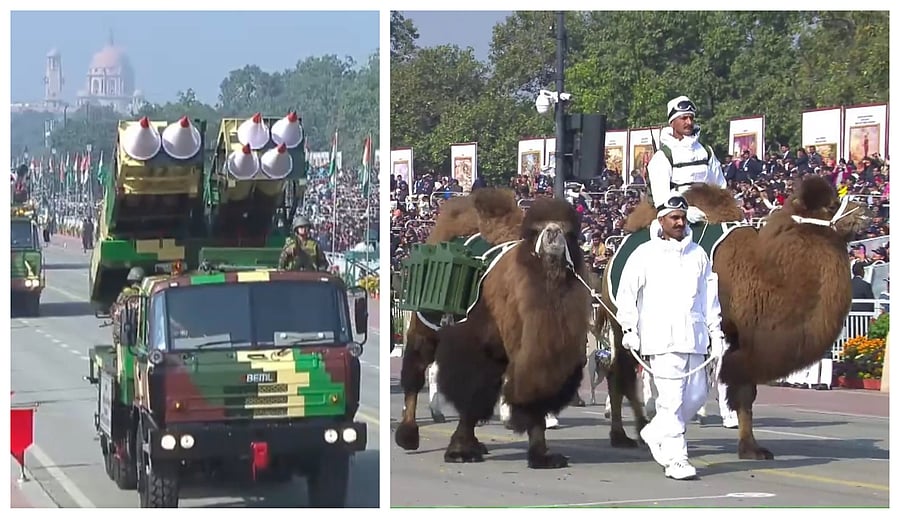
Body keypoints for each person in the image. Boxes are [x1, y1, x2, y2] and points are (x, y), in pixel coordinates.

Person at [615, 193, 727, 480]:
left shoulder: (698, 255)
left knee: (698, 395)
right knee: (672, 400)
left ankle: (655, 431)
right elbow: (627, 295)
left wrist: (716, 334)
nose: (679, 222)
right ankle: (677, 459)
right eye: (674, 218)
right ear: (661, 220)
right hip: (661, 338)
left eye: (682, 217)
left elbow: (709, 298)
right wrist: (629, 329)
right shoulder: (644, 254)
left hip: (695, 337)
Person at [647, 96, 727, 223]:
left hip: (709, 213)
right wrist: (685, 211)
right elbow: (661, 198)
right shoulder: (663, 156)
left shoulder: (706, 151)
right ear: (672, 122)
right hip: (676, 217)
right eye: (684, 118)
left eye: (691, 118)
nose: (689, 122)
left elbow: (720, 186)